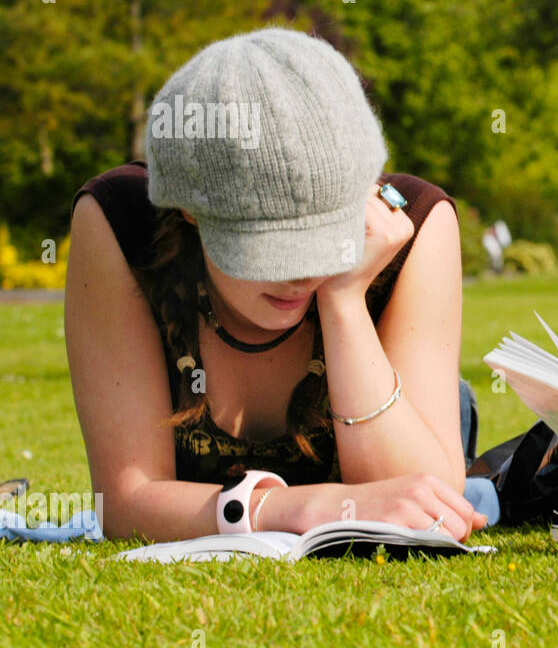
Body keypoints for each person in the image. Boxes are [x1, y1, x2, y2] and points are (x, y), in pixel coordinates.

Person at [65, 28, 489, 542]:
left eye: (323, 233)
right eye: (268, 246)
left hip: (409, 408)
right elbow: (126, 503)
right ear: (188, 212)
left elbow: (429, 504)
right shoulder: (120, 220)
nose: (302, 272)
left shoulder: (413, 225)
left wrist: (345, 299)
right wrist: (301, 506)